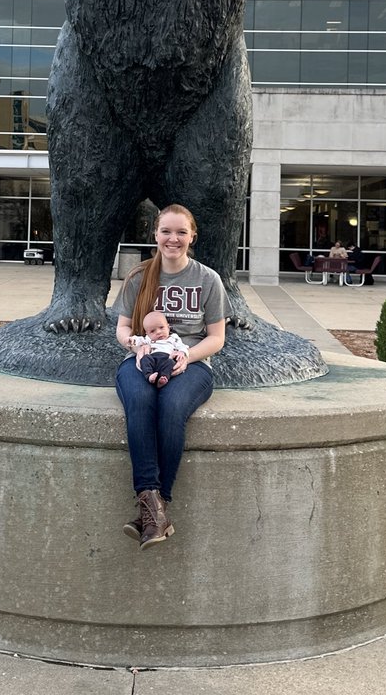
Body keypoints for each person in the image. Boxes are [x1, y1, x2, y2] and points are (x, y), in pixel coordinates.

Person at [113, 204, 227, 550]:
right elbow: (121, 328)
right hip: (141, 360)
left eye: (181, 232)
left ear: (192, 236)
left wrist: (186, 356)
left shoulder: (208, 279)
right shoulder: (138, 277)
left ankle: (152, 507)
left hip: (191, 364)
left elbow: (217, 338)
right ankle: (155, 510)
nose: (172, 239)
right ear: (156, 234)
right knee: (140, 400)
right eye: (166, 231)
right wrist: (136, 347)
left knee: (173, 406)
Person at [129, 310, 190, 388]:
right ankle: (149, 376)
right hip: (153, 359)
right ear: (147, 333)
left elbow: (182, 346)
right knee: (144, 359)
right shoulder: (149, 339)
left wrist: (182, 352)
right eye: (152, 331)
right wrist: (132, 340)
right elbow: (140, 340)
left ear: (168, 327)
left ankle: (163, 378)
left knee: (171, 363)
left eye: (161, 327)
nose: (158, 332)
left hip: (167, 358)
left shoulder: (173, 338)